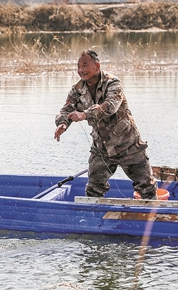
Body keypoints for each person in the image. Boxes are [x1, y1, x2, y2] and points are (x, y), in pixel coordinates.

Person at [54, 49, 157, 199]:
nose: (81, 70)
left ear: (97, 66)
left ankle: (154, 217)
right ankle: (94, 218)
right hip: (101, 149)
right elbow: (66, 110)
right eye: (78, 66)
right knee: (94, 189)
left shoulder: (113, 83)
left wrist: (84, 114)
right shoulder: (77, 90)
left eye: (85, 65)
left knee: (146, 187)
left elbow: (109, 107)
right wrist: (63, 124)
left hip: (128, 145)